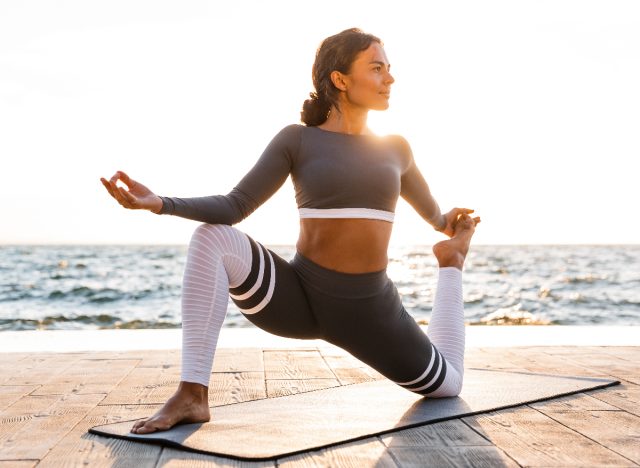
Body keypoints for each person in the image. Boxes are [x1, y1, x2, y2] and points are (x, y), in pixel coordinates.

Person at [100, 28, 480, 435]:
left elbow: (437, 217)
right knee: (212, 238)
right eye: (376, 68)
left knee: (448, 385)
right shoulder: (296, 141)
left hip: (371, 313)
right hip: (298, 296)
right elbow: (234, 206)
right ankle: (192, 393)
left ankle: (450, 264)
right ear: (340, 79)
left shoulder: (396, 149)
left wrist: (451, 229)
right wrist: (161, 203)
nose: (390, 78)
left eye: (389, 69)